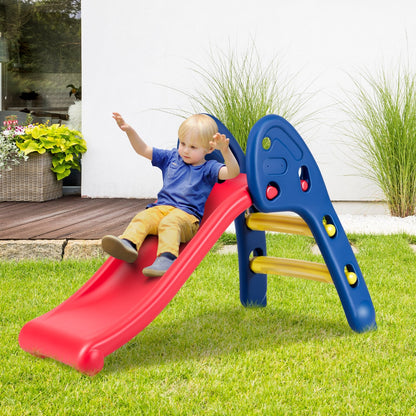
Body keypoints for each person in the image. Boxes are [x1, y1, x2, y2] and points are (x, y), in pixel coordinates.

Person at [101, 112, 240, 277]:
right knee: (144, 217)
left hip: (187, 218)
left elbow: (233, 172)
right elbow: (143, 149)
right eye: (183, 143)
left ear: (209, 149)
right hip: (161, 208)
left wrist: (225, 150)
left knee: (170, 222)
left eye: (193, 147)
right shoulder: (171, 157)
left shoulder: (208, 168)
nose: (186, 150)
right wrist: (129, 130)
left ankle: (167, 258)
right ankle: (128, 244)